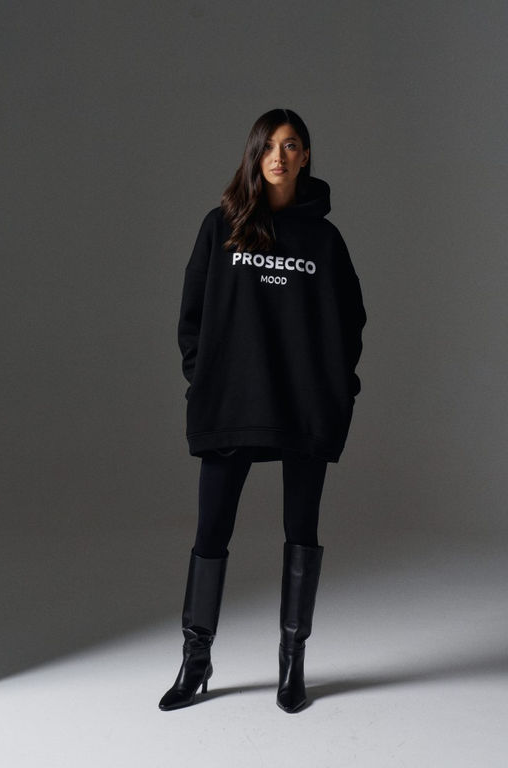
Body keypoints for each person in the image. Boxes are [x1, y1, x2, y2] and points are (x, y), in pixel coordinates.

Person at [158, 108, 367, 713]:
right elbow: (191, 314)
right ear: (254, 155)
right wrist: (206, 379)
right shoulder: (221, 226)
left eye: (291, 145)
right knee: (210, 531)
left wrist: (336, 390)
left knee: (302, 530)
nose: (279, 156)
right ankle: (196, 660)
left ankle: (291, 662)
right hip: (233, 404)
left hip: (302, 408)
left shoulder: (324, 241)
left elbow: (350, 322)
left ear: (306, 157)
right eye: (269, 146)